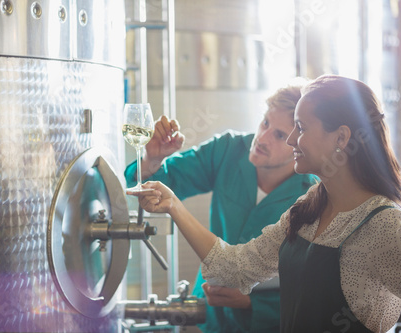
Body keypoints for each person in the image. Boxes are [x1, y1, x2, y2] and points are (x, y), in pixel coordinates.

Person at [133, 75, 401, 333]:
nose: (292, 139)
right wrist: (173, 204)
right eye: (267, 124)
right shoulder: (308, 208)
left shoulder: (385, 225)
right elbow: (234, 268)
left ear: (341, 138)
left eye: (298, 129)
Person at [124, 82, 318, 332]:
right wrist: (153, 158)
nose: (262, 137)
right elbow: (152, 187)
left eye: (280, 135)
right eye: (265, 123)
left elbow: (315, 291)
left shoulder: (312, 196)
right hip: (206, 315)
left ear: (301, 143)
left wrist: (251, 301)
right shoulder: (228, 149)